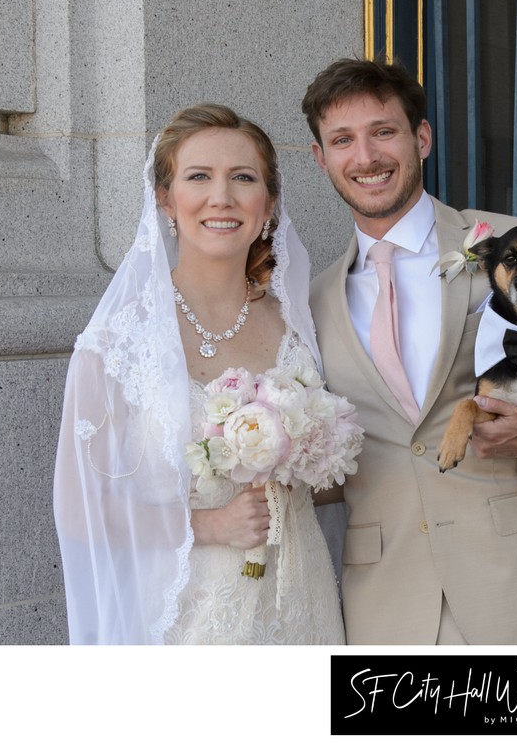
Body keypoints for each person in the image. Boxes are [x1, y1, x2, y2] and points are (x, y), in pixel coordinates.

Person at [302, 57, 517, 644]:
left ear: (422, 138)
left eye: (384, 131)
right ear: (321, 158)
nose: (366, 157)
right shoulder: (311, 300)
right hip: (382, 609)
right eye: (342, 140)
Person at [53, 104, 346, 644]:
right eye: (198, 177)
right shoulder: (117, 345)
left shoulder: (301, 323)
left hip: (302, 602)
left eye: (243, 178)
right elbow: (79, 514)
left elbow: (332, 486)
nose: (222, 197)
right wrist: (207, 525)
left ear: (269, 204)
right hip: (189, 619)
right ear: (165, 200)